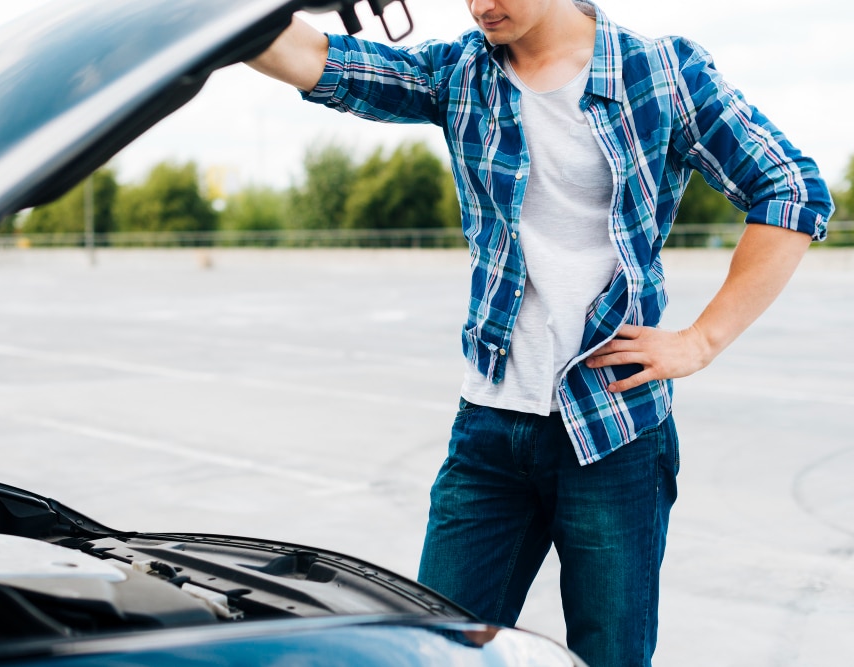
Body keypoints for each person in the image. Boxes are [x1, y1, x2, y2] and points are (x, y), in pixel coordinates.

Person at [248, 1, 834, 665]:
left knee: (609, 656)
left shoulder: (661, 71)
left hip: (614, 433)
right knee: (430, 651)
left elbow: (791, 189)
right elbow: (314, 58)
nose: (480, 5)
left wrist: (701, 340)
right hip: (490, 434)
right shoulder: (460, 72)